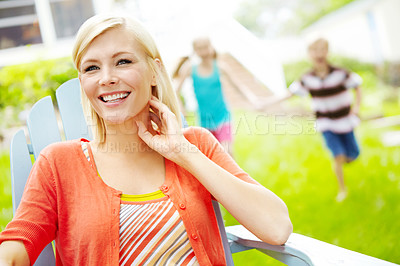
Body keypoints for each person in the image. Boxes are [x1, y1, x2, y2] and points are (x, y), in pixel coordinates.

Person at [0, 14, 292, 265]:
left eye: (123, 61)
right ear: (82, 82)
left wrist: (183, 153)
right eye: (92, 68)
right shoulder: (59, 164)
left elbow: (276, 227)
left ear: (154, 71)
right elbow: (16, 247)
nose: (107, 78)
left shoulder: (196, 145)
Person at [261, 38, 362, 202]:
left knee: (352, 154)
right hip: (326, 123)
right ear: (309, 55)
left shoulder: (340, 73)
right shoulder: (307, 78)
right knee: (338, 155)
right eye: (314, 50)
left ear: (328, 52)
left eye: (322, 49)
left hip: (345, 120)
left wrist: (356, 107)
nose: (319, 54)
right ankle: (342, 190)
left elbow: (357, 85)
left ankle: (347, 157)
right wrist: (266, 103)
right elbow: (289, 94)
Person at [173, 37, 260, 157]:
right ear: (194, 51)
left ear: (211, 47)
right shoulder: (190, 69)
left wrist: (253, 99)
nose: (203, 52)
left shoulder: (220, 67)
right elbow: (175, 91)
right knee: (213, 156)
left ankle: (235, 176)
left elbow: (238, 86)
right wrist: (181, 108)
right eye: (199, 48)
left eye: (205, 47)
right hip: (205, 120)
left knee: (227, 152)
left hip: (223, 116)